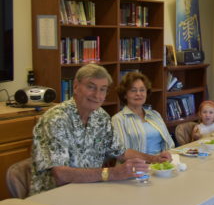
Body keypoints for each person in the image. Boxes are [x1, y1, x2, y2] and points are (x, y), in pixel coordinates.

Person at [30, 64, 168, 195]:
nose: (97, 95)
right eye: (91, 87)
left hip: (91, 189)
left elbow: (121, 151)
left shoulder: (101, 117)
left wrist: (154, 159)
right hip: (53, 196)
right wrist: (112, 173)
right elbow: (60, 174)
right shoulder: (56, 119)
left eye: (103, 89)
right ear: (76, 86)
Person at [111, 72, 174, 156]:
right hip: (137, 166)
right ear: (125, 94)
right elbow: (122, 153)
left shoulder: (155, 114)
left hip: (162, 165)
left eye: (142, 90)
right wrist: (153, 159)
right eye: (133, 90)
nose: (138, 94)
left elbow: (169, 144)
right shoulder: (118, 119)